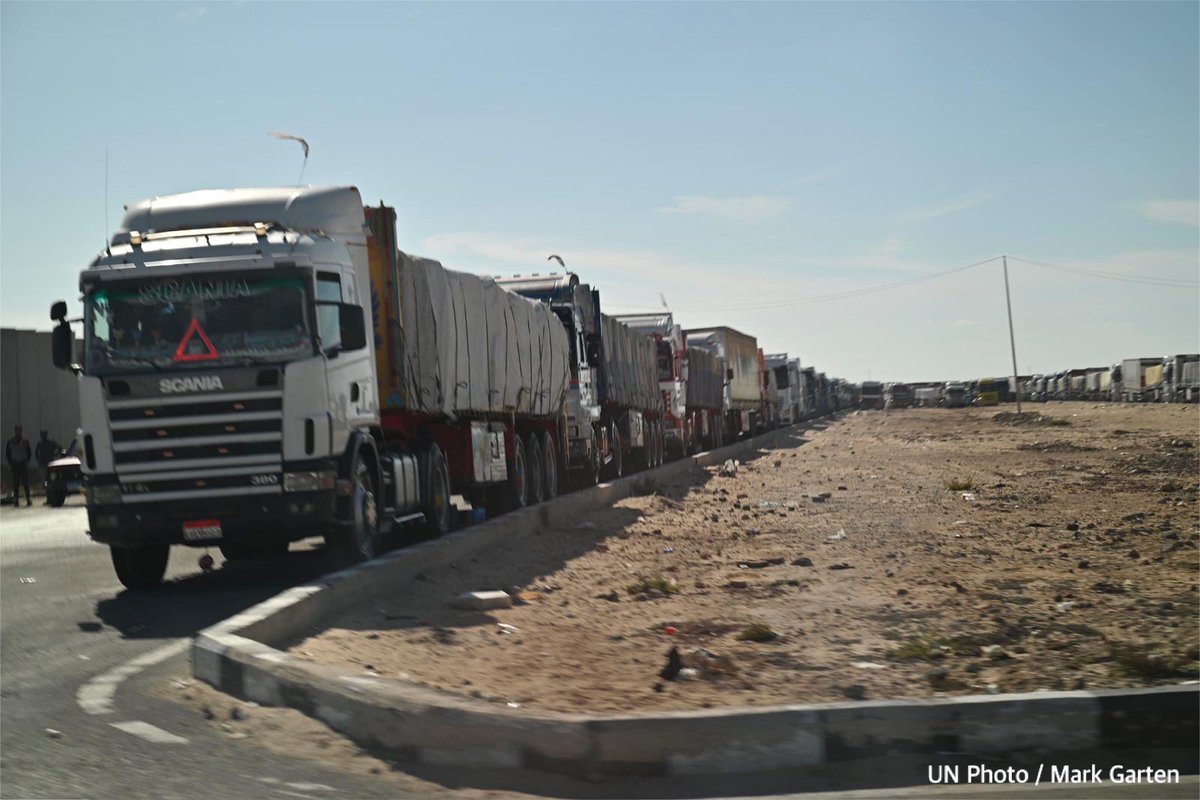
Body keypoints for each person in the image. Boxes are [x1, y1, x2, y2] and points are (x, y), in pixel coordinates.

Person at [6, 425, 32, 507]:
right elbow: (7, 453)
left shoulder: (25, 441)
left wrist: (27, 461)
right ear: (15, 431)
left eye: (20, 430)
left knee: (25, 483)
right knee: (16, 483)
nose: (18, 432)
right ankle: (16, 500)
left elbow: (29, 452)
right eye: (17, 430)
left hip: (23, 463)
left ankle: (28, 499)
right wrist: (10, 463)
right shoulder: (10, 441)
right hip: (15, 464)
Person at [35, 430, 59, 505]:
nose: (43, 436)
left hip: (49, 465)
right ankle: (49, 499)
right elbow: (36, 453)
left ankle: (50, 499)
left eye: (44, 434)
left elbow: (60, 449)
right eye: (42, 434)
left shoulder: (51, 443)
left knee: (50, 482)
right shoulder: (40, 443)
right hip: (44, 465)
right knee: (47, 483)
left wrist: (54, 456)